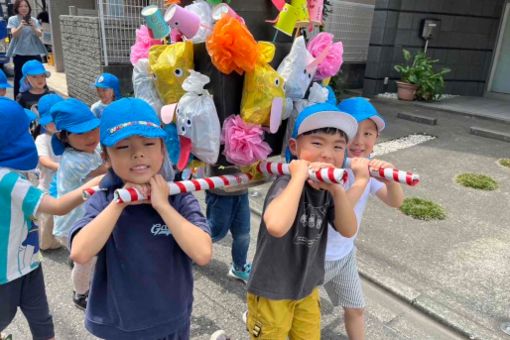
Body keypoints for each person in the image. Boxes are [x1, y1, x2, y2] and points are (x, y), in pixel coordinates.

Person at [69, 98, 212, 339]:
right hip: (121, 326)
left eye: (148, 143)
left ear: (162, 149)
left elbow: (203, 253)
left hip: (173, 320)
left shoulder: (178, 197)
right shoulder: (105, 199)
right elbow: (80, 253)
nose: (138, 154)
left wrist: (163, 206)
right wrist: (119, 203)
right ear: (106, 156)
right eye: (123, 147)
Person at [246, 103, 358, 339]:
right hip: (271, 290)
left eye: (338, 147)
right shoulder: (286, 183)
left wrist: (337, 190)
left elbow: (348, 229)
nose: (328, 154)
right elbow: (276, 226)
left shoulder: (328, 191)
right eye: (317, 143)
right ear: (295, 148)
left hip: (307, 288)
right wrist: (298, 177)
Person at [0, 98, 102, 340]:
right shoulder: (7, 179)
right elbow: (56, 206)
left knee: (41, 318)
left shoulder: (12, 171)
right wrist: (94, 185)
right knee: (4, 317)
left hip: (29, 260)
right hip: (6, 271)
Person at [323, 97, 404, 340]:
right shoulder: (327, 170)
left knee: (356, 308)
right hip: (314, 255)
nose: (359, 141)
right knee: (294, 306)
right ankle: (263, 317)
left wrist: (389, 179)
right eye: (352, 133)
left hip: (345, 254)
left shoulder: (368, 169)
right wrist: (360, 179)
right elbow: (339, 213)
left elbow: (395, 201)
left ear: (376, 139)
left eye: (368, 133)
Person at [50, 98, 107, 310]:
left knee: (88, 256)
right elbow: (105, 171)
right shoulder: (75, 160)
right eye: (81, 133)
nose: (91, 137)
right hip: (71, 225)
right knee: (87, 259)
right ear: (64, 137)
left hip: (85, 218)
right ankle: (81, 293)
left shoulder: (89, 149)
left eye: (94, 129)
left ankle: (78, 266)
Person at [205, 164, 252, 283]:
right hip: (220, 191)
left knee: (243, 234)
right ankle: (187, 249)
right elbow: (209, 155)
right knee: (215, 231)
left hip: (242, 189)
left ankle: (239, 267)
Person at [34, 94, 64, 251]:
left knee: (63, 215)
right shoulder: (42, 139)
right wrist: (62, 168)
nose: (53, 123)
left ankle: (59, 237)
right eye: (49, 121)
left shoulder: (66, 137)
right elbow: (43, 160)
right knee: (47, 219)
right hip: (47, 189)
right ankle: (45, 244)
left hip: (64, 187)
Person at [6, 0, 47, 98]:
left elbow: (39, 34)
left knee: (39, 76)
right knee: (19, 78)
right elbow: (14, 34)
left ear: (29, 8)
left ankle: (42, 99)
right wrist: (21, 25)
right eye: (21, 6)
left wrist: (33, 26)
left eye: (26, 6)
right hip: (20, 54)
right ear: (17, 8)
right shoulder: (13, 19)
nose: (24, 8)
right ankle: (19, 100)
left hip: (34, 53)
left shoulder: (34, 20)